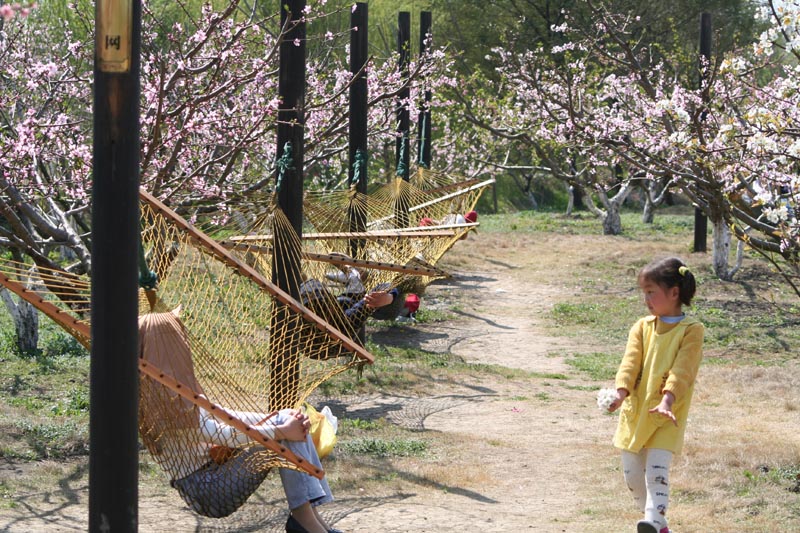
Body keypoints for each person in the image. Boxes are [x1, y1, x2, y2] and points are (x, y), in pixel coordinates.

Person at [138, 310, 343, 533]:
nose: (183, 342)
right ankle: (306, 522)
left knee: (288, 421)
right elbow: (216, 432)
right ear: (165, 345)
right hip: (207, 487)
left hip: (218, 470)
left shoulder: (177, 385)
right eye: (176, 337)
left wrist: (281, 417)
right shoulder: (159, 401)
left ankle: (310, 520)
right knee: (285, 435)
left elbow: (224, 415)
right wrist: (280, 430)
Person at [606, 257, 704, 533]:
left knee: (657, 475)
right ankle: (659, 527)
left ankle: (652, 521)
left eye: (652, 292)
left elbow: (682, 371)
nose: (647, 299)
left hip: (666, 414)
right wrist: (620, 393)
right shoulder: (642, 327)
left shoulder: (692, 331)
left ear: (674, 293)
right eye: (644, 293)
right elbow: (630, 363)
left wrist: (667, 399)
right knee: (633, 477)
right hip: (636, 412)